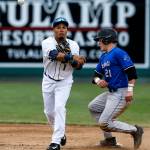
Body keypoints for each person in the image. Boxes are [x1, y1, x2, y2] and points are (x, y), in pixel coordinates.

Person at [88, 28, 144, 149]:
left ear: (106, 39)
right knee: (93, 107)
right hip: (111, 93)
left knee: (105, 122)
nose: (98, 43)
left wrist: (130, 90)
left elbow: (132, 72)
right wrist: (99, 81)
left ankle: (135, 130)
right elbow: (95, 76)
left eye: (100, 40)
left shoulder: (119, 53)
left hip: (122, 93)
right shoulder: (104, 57)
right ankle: (109, 140)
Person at [41, 17, 85, 150]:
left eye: (64, 27)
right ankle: (60, 134)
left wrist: (79, 62)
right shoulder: (47, 42)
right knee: (49, 112)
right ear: (53, 29)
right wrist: (72, 57)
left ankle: (56, 142)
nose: (61, 30)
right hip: (48, 80)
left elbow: (78, 66)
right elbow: (54, 55)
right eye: (58, 27)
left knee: (59, 107)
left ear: (67, 30)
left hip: (65, 81)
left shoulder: (74, 45)